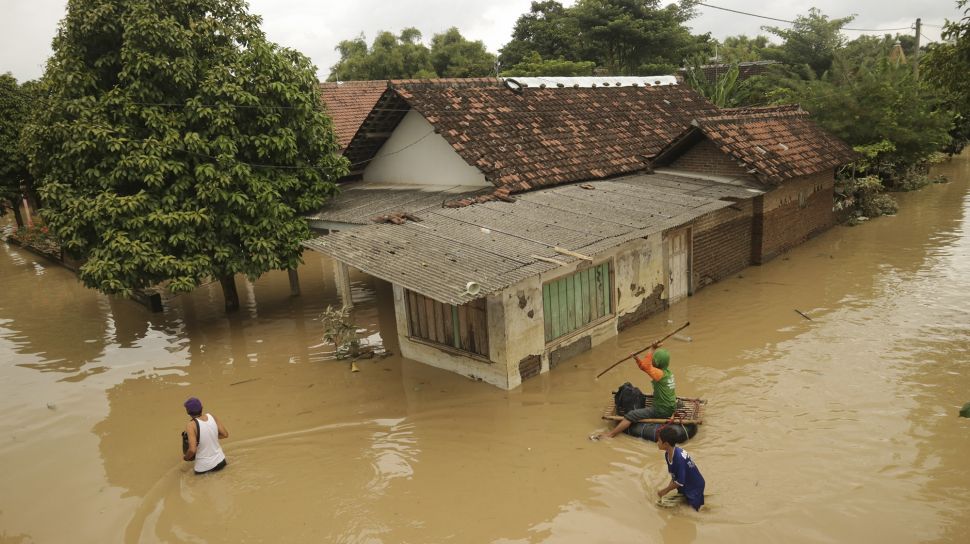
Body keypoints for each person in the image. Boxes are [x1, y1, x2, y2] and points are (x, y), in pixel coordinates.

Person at [595, 347, 676, 440]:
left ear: (656, 362)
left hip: (661, 410)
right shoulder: (668, 373)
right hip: (670, 407)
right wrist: (637, 359)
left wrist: (652, 349)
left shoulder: (658, 374)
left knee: (631, 415)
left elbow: (646, 366)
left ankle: (610, 435)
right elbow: (645, 367)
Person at [656, 425, 705, 511]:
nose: (657, 442)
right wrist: (668, 488)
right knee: (670, 504)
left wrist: (665, 490)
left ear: (666, 444)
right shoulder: (668, 454)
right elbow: (674, 476)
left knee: (693, 511)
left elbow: (680, 482)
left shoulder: (678, 459)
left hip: (695, 487)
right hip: (685, 484)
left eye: (659, 441)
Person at [182, 397, 229, 474]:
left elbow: (192, 450)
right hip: (221, 461)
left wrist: (186, 458)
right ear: (202, 407)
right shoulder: (212, 416)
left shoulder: (191, 425)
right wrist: (210, 436)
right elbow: (225, 434)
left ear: (187, 411)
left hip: (204, 467)